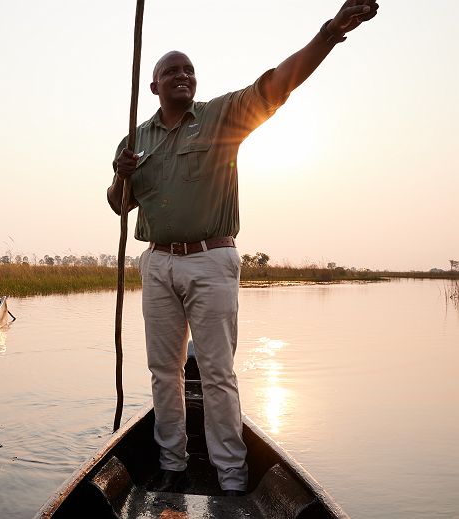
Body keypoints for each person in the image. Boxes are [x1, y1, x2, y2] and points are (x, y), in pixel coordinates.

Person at [107, 1, 378, 496]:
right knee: (164, 373)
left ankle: (231, 477)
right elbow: (117, 205)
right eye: (171, 71)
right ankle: (171, 463)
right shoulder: (135, 138)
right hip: (159, 262)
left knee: (216, 372)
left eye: (188, 70)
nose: (182, 76)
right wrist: (120, 174)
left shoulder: (219, 118)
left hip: (211, 259)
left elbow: (277, 83)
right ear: (154, 86)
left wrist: (331, 31)